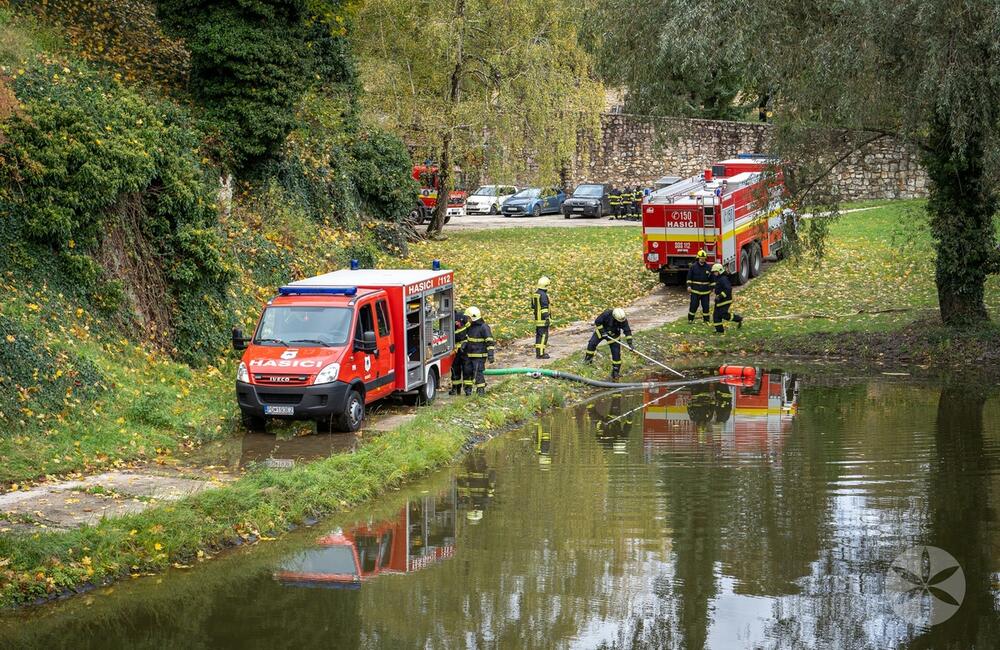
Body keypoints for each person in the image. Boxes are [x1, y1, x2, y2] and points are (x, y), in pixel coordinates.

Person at [583, 307, 634, 380]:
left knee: (616, 354)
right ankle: (588, 360)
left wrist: (630, 343)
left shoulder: (623, 319)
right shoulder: (606, 314)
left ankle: (615, 372)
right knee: (592, 344)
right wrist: (602, 332)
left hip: (614, 335)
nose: (621, 322)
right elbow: (597, 321)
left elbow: (627, 331)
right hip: (601, 332)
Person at [461, 306, 495, 395]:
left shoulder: (484, 327)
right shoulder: (470, 327)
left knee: (477, 373)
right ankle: (468, 389)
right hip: (469, 355)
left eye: (469, 318)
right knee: (467, 371)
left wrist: (490, 355)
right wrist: (464, 343)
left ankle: (481, 390)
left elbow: (490, 342)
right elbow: (466, 337)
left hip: (479, 356)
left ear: (473, 317)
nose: (468, 320)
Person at [710, 263, 743, 333]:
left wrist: (720, 296)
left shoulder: (723, 279)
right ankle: (719, 331)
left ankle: (738, 319)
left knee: (723, 315)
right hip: (719, 300)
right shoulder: (718, 278)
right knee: (716, 316)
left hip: (725, 300)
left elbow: (728, 289)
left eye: (715, 272)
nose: (714, 273)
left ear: (719, 271)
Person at [686, 250, 714, 323]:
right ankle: (690, 319)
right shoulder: (693, 267)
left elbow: (712, 279)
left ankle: (706, 320)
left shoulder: (708, 267)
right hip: (695, 290)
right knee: (694, 305)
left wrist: (711, 288)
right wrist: (689, 286)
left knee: (706, 306)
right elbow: (689, 278)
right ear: (698, 258)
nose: (702, 259)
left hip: (705, 291)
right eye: (701, 258)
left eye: (704, 258)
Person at [450, 307, 470, 395]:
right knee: (455, 368)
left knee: (467, 369)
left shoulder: (462, 317)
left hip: (465, 348)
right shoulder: (446, 321)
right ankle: (456, 388)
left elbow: (471, 330)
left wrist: (466, 342)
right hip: (455, 349)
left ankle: (467, 389)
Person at [531, 276, 552, 359]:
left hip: (537, 319)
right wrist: (547, 317)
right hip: (543, 320)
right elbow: (544, 308)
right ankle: (541, 354)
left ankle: (538, 352)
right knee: (543, 336)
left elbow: (533, 306)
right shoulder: (543, 295)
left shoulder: (535, 294)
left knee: (539, 336)